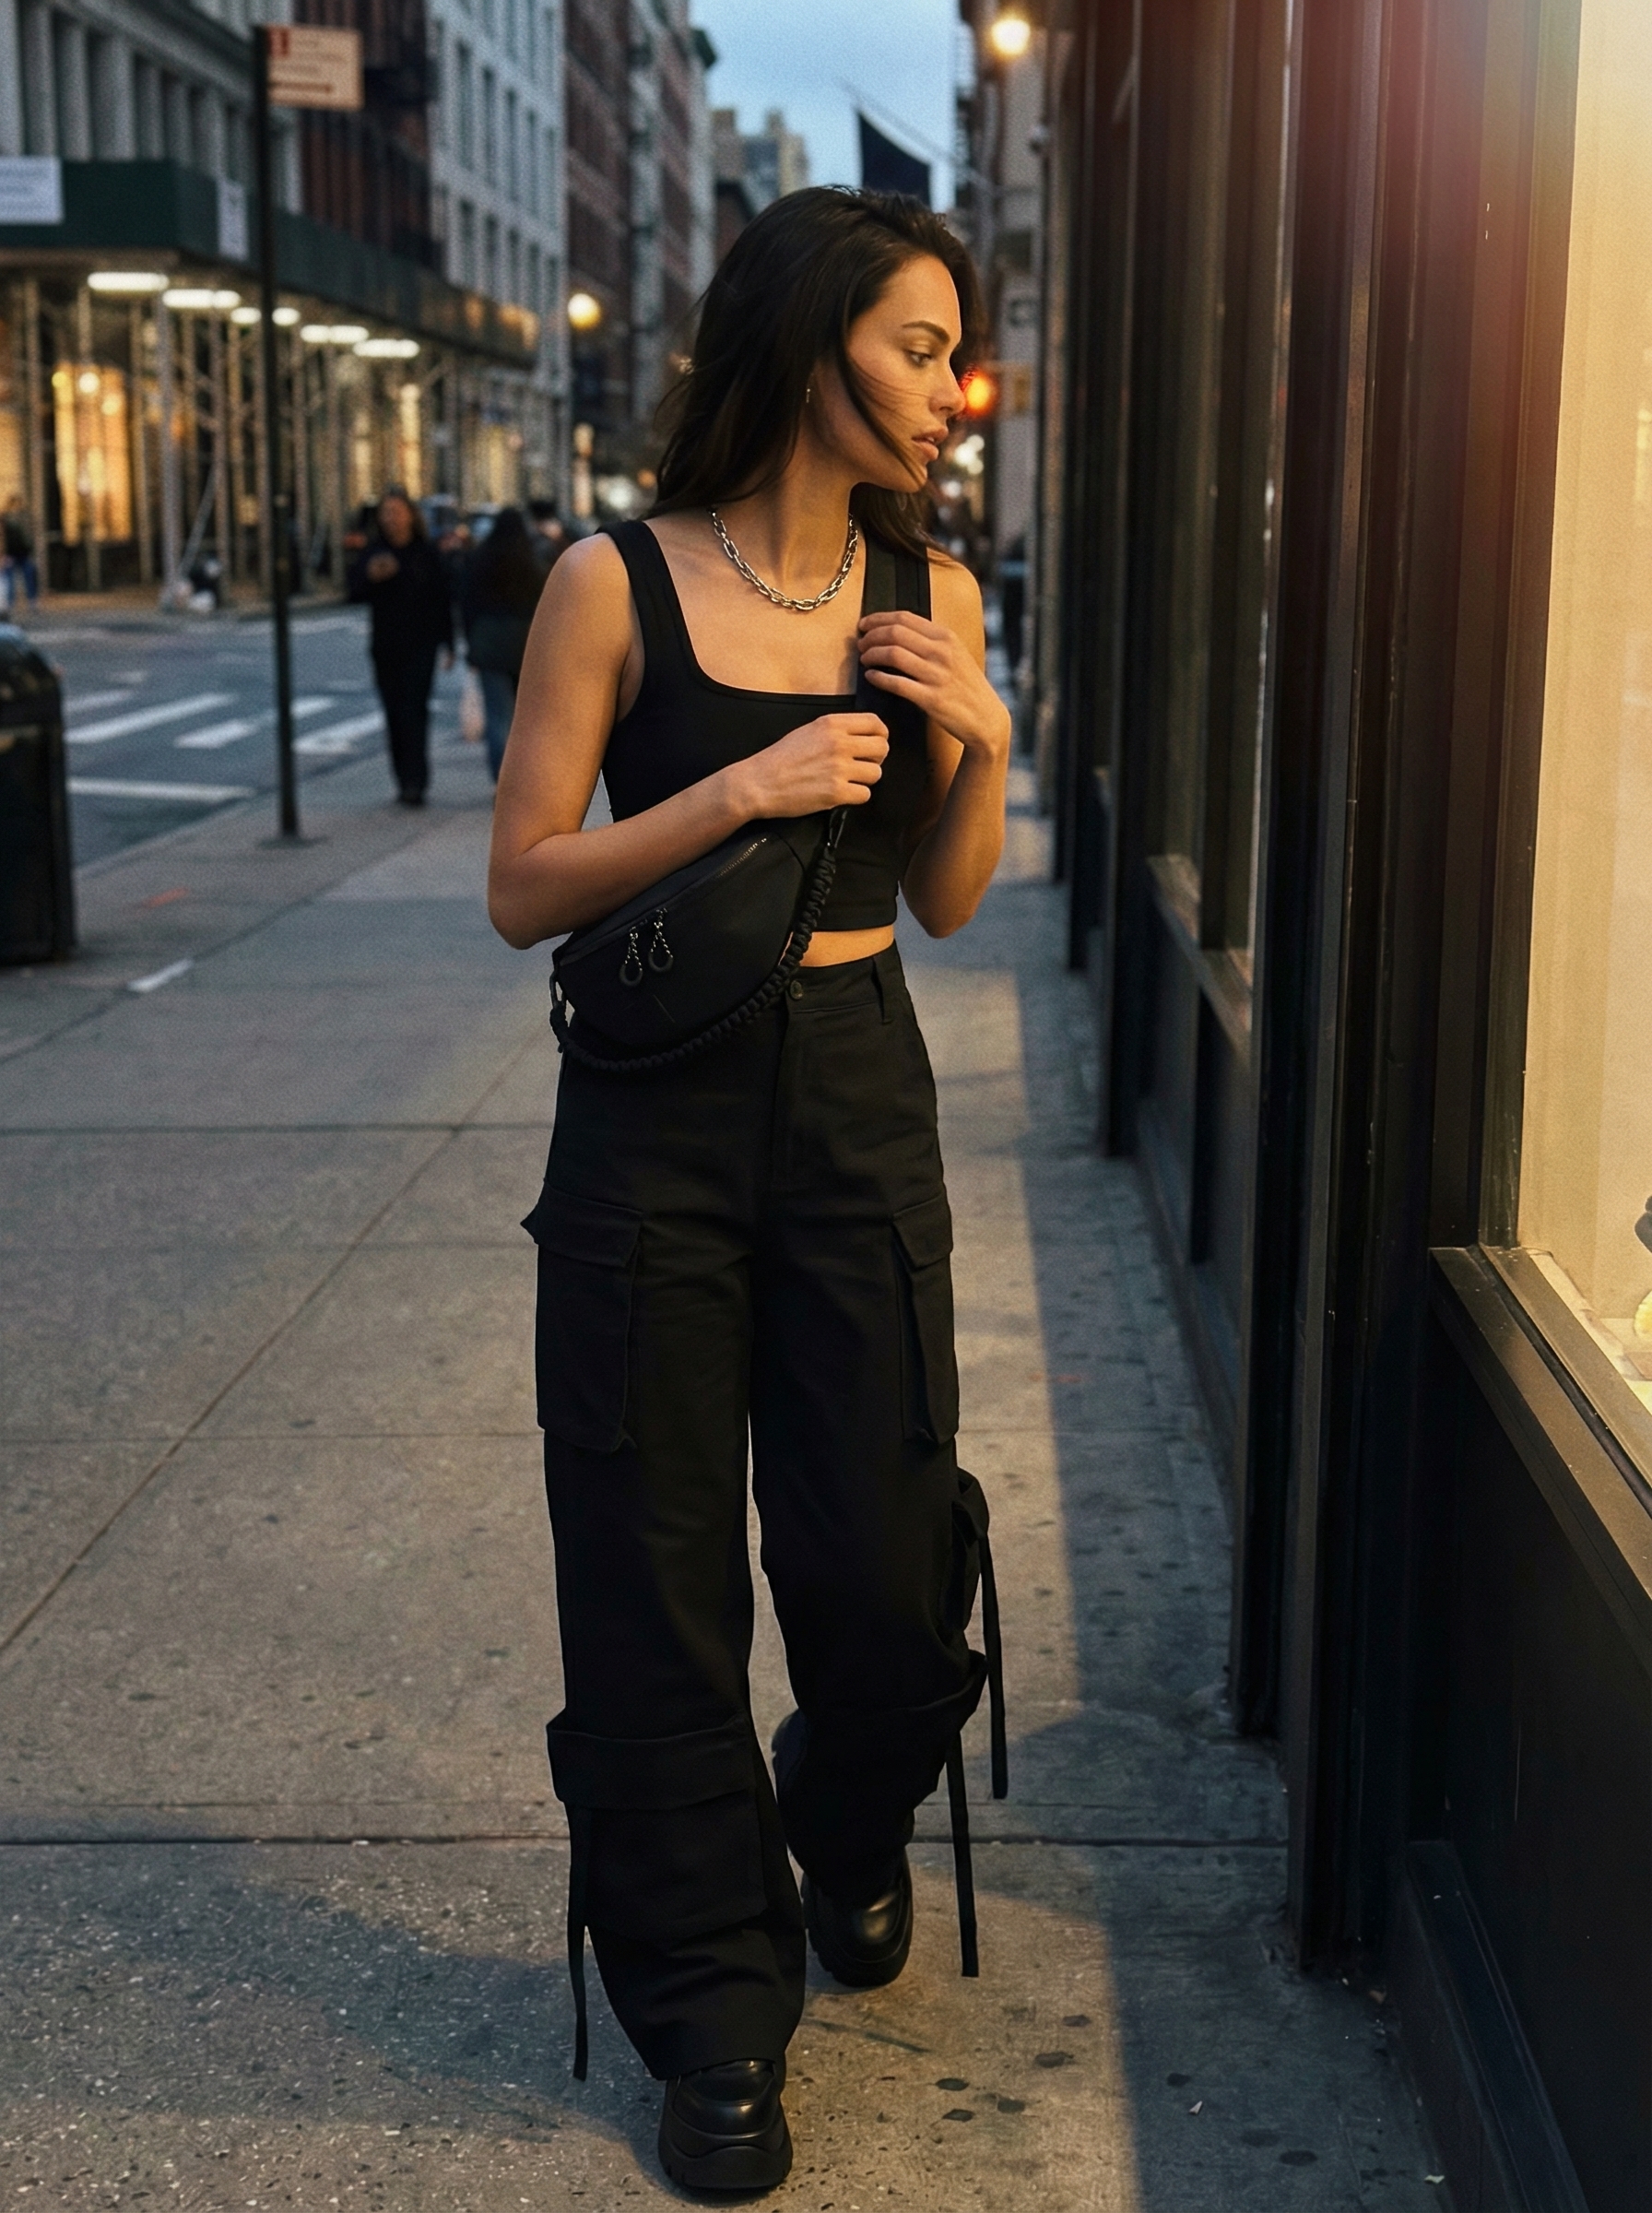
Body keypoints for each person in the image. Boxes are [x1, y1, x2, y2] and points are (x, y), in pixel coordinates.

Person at [489, 187, 1011, 2195]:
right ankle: (709, 2007)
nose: (948, 390)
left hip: (860, 1097)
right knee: (648, 1572)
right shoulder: (611, 586)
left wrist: (976, 747)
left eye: (953, 352)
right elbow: (521, 882)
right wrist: (733, 789)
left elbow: (951, 905)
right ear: (807, 350)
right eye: (914, 346)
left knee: (881, 1568)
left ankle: (849, 1805)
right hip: (653, 1121)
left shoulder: (929, 592)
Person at [348, 490, 454, 806]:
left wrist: (448, 642)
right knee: (394, 713)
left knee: (414, 711)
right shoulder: (374, 552)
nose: (391, 518)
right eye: (386, 512)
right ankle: (402, 778)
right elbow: (353, 591)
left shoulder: (426, 552)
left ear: (410, 515)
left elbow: (442, 599)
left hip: (421, 645)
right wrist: (370, 576)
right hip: (386, 645)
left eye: (397, 511)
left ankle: (416, 781)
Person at [458, 506, 546, 781]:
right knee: (525, 717)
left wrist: (471, 644)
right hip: (524, 643)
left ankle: (501, 779)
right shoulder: (531, 562)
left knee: (497, 715)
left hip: (490, 641)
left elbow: (467, 605)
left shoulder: (480, 559)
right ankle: (523, 778)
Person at [3, 498, 39, 614]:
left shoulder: (25, 520)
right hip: (11, 555)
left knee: (29, 576)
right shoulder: (5, 520)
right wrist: (4, 555)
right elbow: (4, 539)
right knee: (10, 581)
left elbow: (29, 539)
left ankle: (32, 601)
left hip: (23, 554)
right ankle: (10, 604)